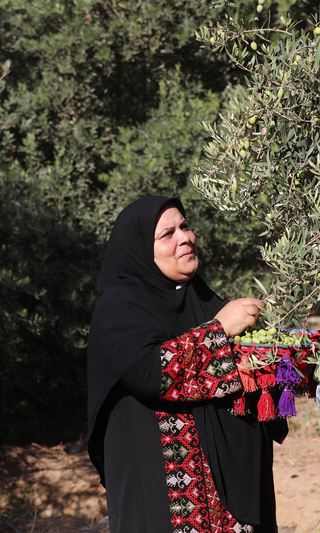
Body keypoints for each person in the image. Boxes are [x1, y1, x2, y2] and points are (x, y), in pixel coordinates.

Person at [86, 195, 287, 533]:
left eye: (185, 226)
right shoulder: (119, 309)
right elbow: (153, 374)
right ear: (140, 250)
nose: (185, 237)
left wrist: (280, 361)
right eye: (168, 233)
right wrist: (219, 330)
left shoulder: (204, 300)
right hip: (166, 495)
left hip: (233, 501)